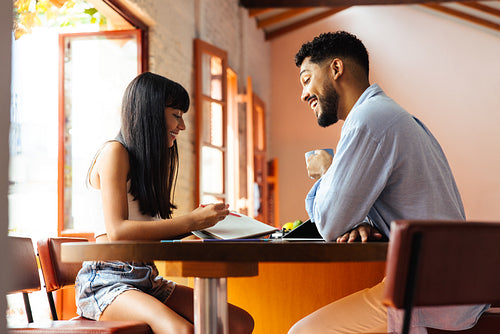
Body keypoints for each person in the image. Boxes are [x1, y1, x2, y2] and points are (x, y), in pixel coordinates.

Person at [289, 31, 488, 334]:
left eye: (306, 79)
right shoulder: (391, 115)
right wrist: (366, 221)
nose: (303, 94)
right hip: (452, 286)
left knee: (301, 332)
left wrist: (328, 171)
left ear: (336, 69)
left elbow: (329, 223)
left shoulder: (368, 120)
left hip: (427, 294)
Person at [74, 72, 254, 334]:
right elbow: (118, 232)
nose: (182, 126)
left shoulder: (146, 163)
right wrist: (191, 221)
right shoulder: (114, 152)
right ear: (151, 113)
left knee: (239, 322)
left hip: (146, 278)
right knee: (181, 330)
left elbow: (148, 234)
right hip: (106, 281)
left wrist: (198, 228)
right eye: (177, 115)